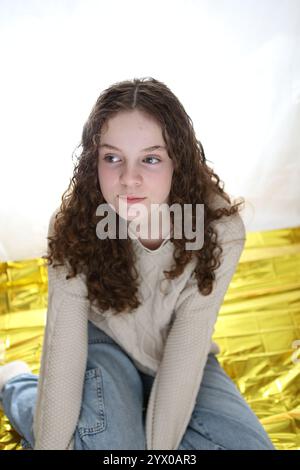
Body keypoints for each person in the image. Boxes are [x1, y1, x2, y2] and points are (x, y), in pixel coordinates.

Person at [0, 77, 276, 450]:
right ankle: (17, 384)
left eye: (150, 158)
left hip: (174, 351)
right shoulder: (74, 225)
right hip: (104, 342)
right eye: (112, 158)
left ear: (177, 159)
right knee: (103, 446)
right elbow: (63, 350)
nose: (129, 179)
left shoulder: (218, 229)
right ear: (92, 161)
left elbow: (187, 345)